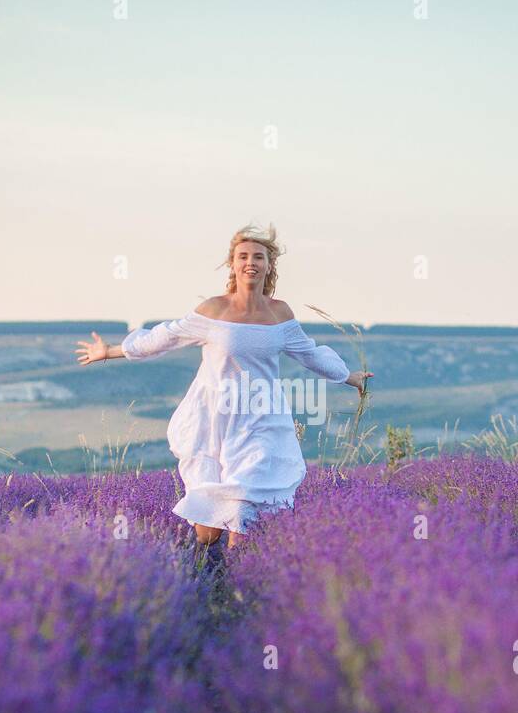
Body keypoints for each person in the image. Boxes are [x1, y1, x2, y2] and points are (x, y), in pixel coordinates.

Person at [74, 223, 372, 561]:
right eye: (243, 256)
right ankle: (209, 570)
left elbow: (309, 353)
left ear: (268, 265)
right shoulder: (213, 310)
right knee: (206, 533)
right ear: (232, 264)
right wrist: (111, 351)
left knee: (244, 506)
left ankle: (238, 587)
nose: (250, 263)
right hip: (212, 419)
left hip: (261, 420)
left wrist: (350, 376)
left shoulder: (280, 313)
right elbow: (163, 338)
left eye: (258, 257)